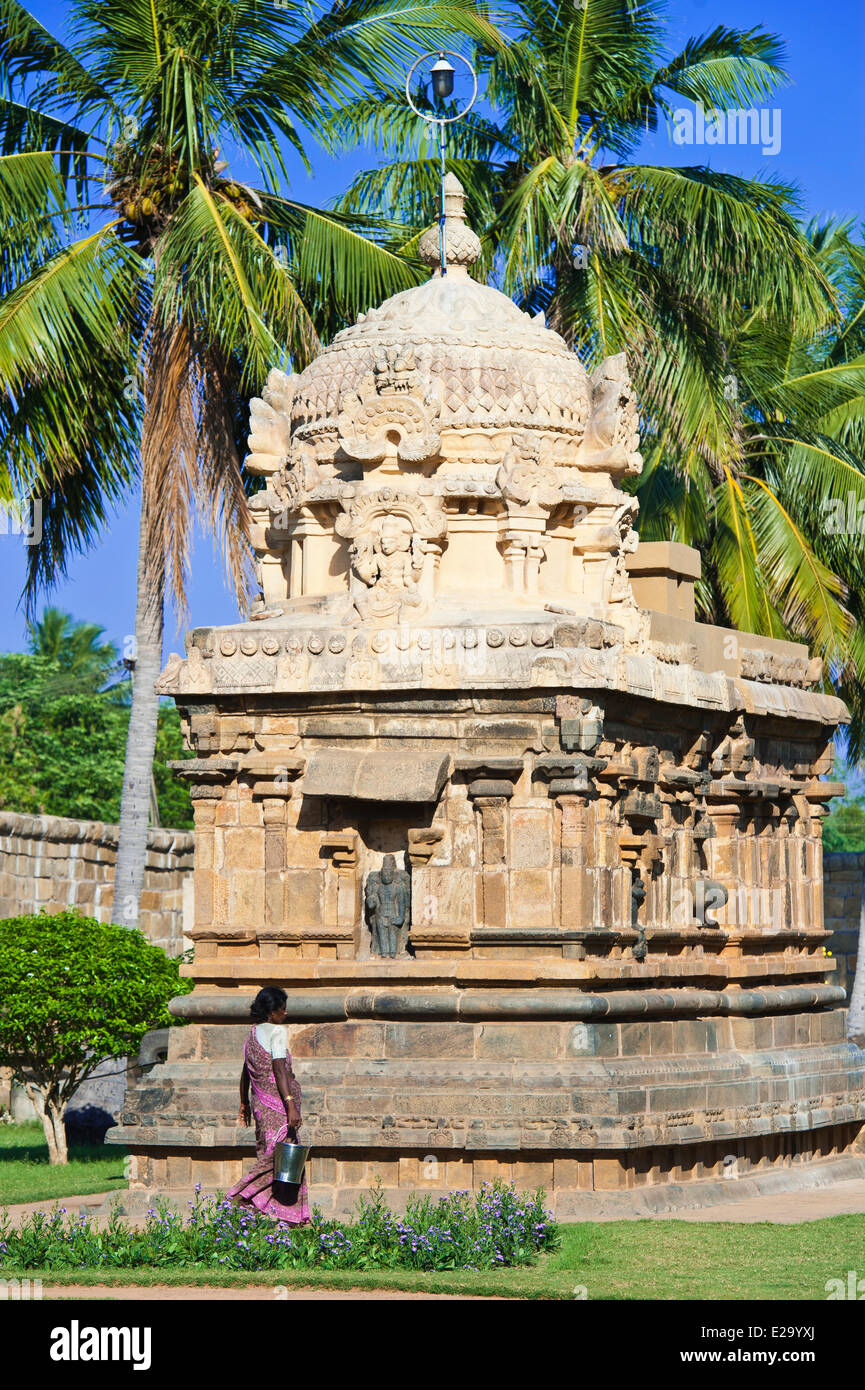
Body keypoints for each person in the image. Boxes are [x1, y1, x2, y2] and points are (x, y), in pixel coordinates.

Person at [225, 986, 310, 1224]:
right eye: (282, 1010)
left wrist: (244, 1102)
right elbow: (279, 1069)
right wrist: (290, 1105)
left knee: (273, 1155)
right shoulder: (276, 1032)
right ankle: (238, 1196)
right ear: (271, 1012)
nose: (285, 1014)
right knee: (282, 1158)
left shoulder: (252, 1034)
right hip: (278, 1106)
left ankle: (263, 1212)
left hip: (260, 1104)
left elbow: (245, 1073)